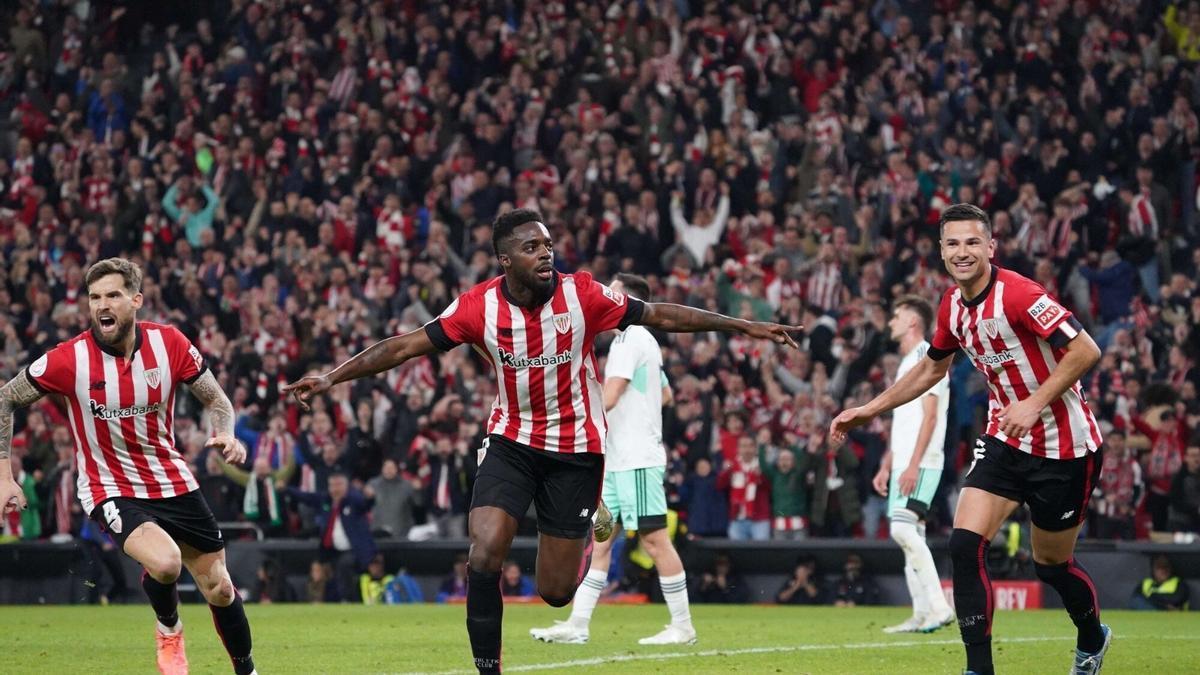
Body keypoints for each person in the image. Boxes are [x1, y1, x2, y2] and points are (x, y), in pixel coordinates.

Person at [283, 209, 800, 674]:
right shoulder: (476, 307)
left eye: (548, 244)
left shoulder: (584, 295)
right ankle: (488, 669)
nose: (545, 252)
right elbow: (404, 346)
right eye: (532, 247)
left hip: (576, 450)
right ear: (505, 260)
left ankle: (588, 516)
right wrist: (332, 377)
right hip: (511, 437)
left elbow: (660, 314)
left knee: (555, 593)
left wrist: (747, 326)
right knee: (485, 548)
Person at [831, 204, 1110, 675]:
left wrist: (1034, 402)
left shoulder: (1021, 294)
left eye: (972, 242)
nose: (963, 252)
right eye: (953, 244)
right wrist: (868, 409)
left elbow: (1086, 349)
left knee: (1051, 565)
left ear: (990, 247)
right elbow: (932, 367)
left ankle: (1091, 636)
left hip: (1066, 449)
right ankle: (978, 669)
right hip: (1005, 440)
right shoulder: (950, 306)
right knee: (964, 545)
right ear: (941, 252)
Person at [0, 258, 257, 675]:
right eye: (95, 297)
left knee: (221, 588)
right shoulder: (69, 360)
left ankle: (247, 670)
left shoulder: (169, 343)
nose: (103, 304)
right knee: (167, 562)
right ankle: (169, 629)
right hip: (109, 485)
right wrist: (5, 477)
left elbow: (216, 399)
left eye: (114, 295)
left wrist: (226, 432)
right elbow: (5, 397)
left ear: (135, 300)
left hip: (171, 478)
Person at [530, 273, 697, 646]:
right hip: (622, 458)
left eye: (613, 291)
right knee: (601, 543)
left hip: (636, 458)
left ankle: (683, 626)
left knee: (654, 540)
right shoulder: (643, 342)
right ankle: (578, 624)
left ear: (628, 299)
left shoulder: (631, 335)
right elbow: (666, 396)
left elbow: (612, 394)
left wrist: (573, 419)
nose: (606, 295)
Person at [870, 296, 955, 634]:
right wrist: (888, 464)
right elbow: (905, 421)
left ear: (912, 324)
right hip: (904, 462)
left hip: (922, 463)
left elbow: (930, 417)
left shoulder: (926, 358)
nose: (891, 321)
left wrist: (913, 465)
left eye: (897, 315)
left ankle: (939, 606)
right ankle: (921, 614)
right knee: (910, 535)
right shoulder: (908, 363)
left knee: (903, 530)